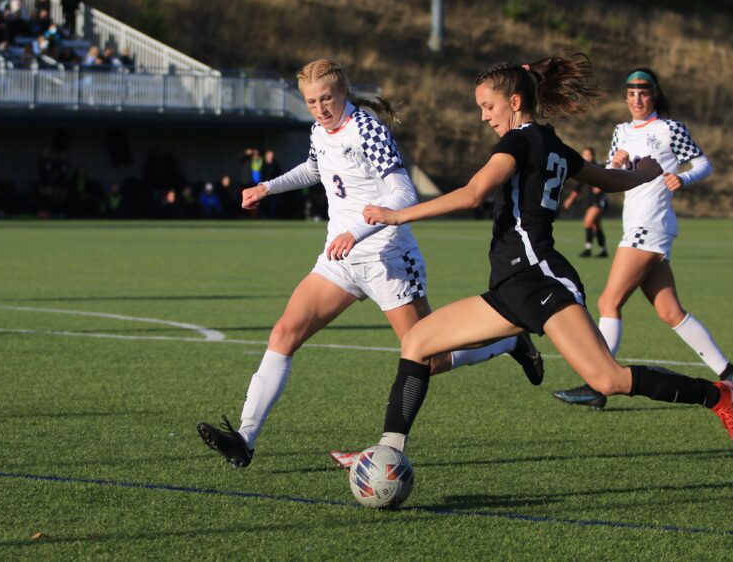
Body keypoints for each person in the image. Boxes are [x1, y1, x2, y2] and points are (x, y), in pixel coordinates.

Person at [361, 55, 733, 465]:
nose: (483, 117)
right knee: (418, 343)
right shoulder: (551, 144)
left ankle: (718, 395)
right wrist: (646, 173)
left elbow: (474, 193)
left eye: (488, 106)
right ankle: (386, 452)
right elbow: (608, 179)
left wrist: (396, 215)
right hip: (511, 285)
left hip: (541, 280)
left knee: (607, 379)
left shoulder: (518, 142)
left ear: (515, 101)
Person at [197, 59, 544, 469]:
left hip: (388, 259)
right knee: (285, 332)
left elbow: (403, 194)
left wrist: (357, 232)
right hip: (339, 261)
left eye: (327, 98)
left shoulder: (367, 129)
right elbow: (314, 167)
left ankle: (507, 342)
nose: (321, 108)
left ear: (343, 92)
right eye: (311, 101)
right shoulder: (318, 131)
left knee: (427, 360)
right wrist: (267, 187)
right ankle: (245, 437)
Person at [553, 68, 733, 409]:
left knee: (608, 302)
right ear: (625, 97)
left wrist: (683, 179)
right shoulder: (621, 132)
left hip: (651, 226)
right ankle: (729, 371)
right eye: (631, 93)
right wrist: (614, 164)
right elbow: (612, 178)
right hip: (636, 227)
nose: (637, 99)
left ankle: (599, 386)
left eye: (643, 93)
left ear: (653, 95)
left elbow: (703, 164)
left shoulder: (669, 128)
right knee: (670, 312)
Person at [561, 146, 608, 258]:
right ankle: (603, 250)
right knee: (596, 226)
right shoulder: (584, 169)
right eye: (584, 155)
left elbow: (610, 178)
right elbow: (579, 186)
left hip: (599, 201)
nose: (586, 157)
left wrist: (602, 185)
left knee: (587, 222)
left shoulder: (599, 167)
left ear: (593, 156)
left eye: (588, 155)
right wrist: (570, 199)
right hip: (590, 201)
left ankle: (588, 249)